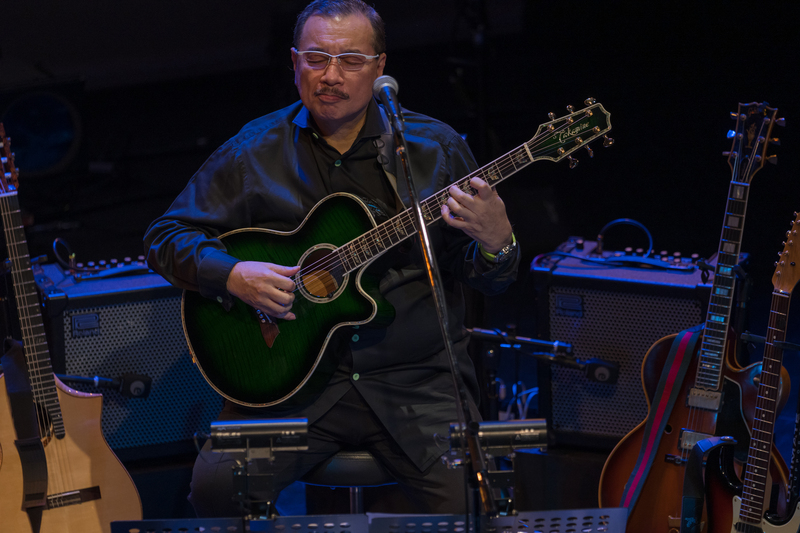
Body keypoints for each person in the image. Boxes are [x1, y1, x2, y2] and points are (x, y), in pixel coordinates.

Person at [144, 0, 520, 517]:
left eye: (351, 60)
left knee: (478, 506)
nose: (331, 76)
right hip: (289, 380)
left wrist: (499, 243)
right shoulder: (254, 151)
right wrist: (232, 274)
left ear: (380, 67)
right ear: (294, 62)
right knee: (214, 491)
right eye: (317, 58)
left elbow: (488, 278)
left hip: (414, 381)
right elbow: (165, 236)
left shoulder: (433, 151)